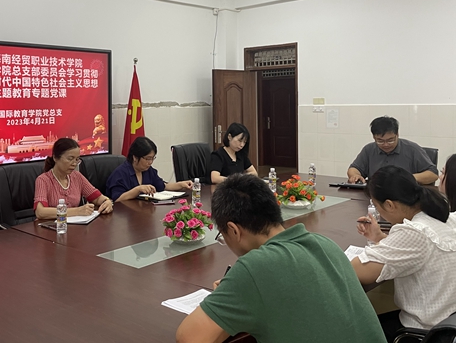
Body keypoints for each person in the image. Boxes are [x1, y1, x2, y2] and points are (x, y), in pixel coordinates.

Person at [176, 174, 385, 343]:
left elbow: (189, 338)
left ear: (233, 230)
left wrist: (234, 292)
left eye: (223, 235)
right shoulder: (324, 243)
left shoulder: (254, 269)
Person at [351, 165, 456, 342]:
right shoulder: (446, 216)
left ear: (389, 205)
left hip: (425, 333)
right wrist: (379, 238)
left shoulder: (414, 231)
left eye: (377, 206)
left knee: (352, 329)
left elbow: (357, 271)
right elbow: (416, 253)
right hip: (449, 323)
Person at [34, 138, 113, 219]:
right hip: (52, 225)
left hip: (74, 225)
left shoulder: (77, 176)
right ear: (55, 158)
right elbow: (40, 212)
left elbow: (98, 198)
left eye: (77, 159)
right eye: (70, 159)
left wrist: (107, 202)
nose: (74, 164)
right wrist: (77, 211)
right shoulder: (43, 180)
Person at [347, 116, 438, 185]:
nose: (386, 144)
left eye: (390, 140)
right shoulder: (369, 149)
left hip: (405, 195)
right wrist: (355, 175)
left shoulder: (412, 149)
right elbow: (354, 169)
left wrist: (407, 178)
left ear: (397, 134)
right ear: (374, 137)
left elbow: (433, 174)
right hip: (376, 195)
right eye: (380, 141)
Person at [106, 136, 193, 202]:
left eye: (152, 158)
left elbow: (163, 186)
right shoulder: (120, 174)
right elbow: (117, 199)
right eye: (147, 159)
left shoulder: (148, 170)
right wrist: (138, 190)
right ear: (135, 157)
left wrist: (181, 185)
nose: (150, 162)